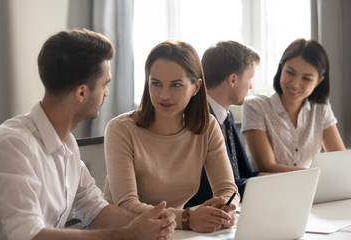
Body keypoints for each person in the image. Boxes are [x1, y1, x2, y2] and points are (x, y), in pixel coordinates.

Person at [0, 28, 176, 240]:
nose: (107, 92)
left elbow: (94, 208)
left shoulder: (67, 142)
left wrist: (148, 223)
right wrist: (126, 235)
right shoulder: (12, 145)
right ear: (81, 92)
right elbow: (29, 236)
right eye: (105, 84)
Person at [103, 40, 239, 233]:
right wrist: (186, 218)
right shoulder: (121, 129)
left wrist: (225, 209)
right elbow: (126, 204)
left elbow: (227, 188)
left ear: (196, 87)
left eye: (176, 85)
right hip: (122, 232)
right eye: (156, 83)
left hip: (172, 232)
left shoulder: (208, 126)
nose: (163, 95)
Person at [241, 38, 346, 173]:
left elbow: (339, 160)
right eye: (290, 72)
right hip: (269, 188)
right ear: (281, 68)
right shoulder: (255, 106)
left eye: (306, 78)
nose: (295, 84)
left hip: (309, 188)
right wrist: (314, 175)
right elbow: (267, 166)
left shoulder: (321, 108)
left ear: (318, 81)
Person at [185, 40, 261, 205]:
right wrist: (267, 186)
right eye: (250, 78)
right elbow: (207, 188)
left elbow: (241, 175)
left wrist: (278, 179)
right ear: (233, 80)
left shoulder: (226, 116)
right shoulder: (196, 119)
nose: (250, 86)